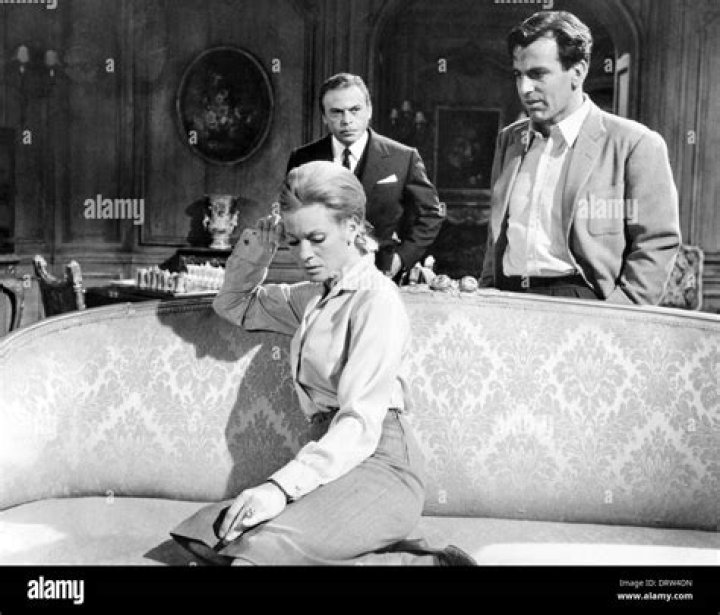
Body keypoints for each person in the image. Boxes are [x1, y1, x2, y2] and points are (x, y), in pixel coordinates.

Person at [170, 161, 474, 566]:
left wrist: (279, 489)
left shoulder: (377, 300)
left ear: (352, 227)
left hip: (380, 463)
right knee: (208, 534)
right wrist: (259, 249)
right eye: (294, 241)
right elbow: (234, 304)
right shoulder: (313, 297)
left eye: (317, 238)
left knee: (255, 555)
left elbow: (359, 423)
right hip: (330, 459)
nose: (304, 255)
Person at [480, 10, 681, 304]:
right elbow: (497, 234)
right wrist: (487, 291)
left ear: (578, 71)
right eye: (518, 75)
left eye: (537, 74)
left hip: (584, 302)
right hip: (507, 298)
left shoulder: (635, 144)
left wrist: (621, 312)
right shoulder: (509, 140)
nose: (525, 89)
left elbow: (656, 242)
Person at [287, 73, 445, 284]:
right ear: (324, 116)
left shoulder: (403, 158)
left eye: (355, 110)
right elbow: (291, 214)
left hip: (382, 275)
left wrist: (402, 258)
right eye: (336, 112)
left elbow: (431, 213)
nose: (347, 120)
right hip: (321, 276)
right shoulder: (303, 158)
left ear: (369, 111)